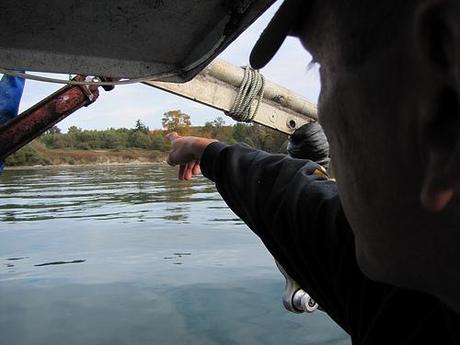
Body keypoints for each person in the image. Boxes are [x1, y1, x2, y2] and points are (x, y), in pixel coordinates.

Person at [166, 0, 460, 343]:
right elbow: (301, 208)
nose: (324, 117)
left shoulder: (403, 299)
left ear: (441, 121)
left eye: (320, 68)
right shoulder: (420, 277)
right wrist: (208, 151)